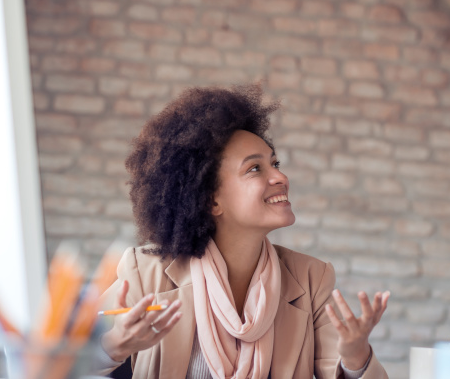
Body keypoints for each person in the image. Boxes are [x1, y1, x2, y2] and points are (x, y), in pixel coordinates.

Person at [93, 85, 390, 379]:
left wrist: (356, 359)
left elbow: (339, 370)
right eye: (254, 169)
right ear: (211, 199)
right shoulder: (145, 274)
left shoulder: (311, 278)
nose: (280, 177)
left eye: (274, 163)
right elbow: (61, 362)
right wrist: (114, 347)